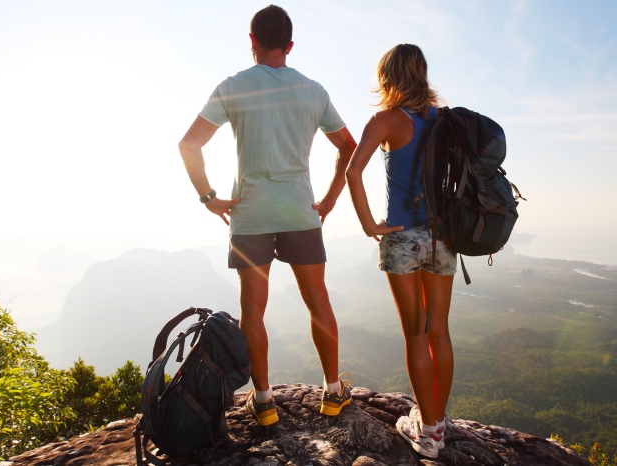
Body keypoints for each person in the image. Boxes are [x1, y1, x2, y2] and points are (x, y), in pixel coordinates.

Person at [178, 5, 357, 426]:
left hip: (250, 215)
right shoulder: (314, 91)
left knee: (252, 311)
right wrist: (330, 199)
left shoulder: (234, 86)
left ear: (252, 42)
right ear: (290, 46)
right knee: (319, 303)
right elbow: (348, 146)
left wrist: (209, 197)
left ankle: (263, 402)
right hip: (300, 211)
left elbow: (189, 145)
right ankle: (333, 393)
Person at [345, 43, 455, 458]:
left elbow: (353, 170)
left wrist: (368, 223)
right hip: (443, 236)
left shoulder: (387, 120)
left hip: (402, 235)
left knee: (416, 332)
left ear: (388, 76)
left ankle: (427, 434)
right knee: (440, 332)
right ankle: (438, 424)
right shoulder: (445, 120)